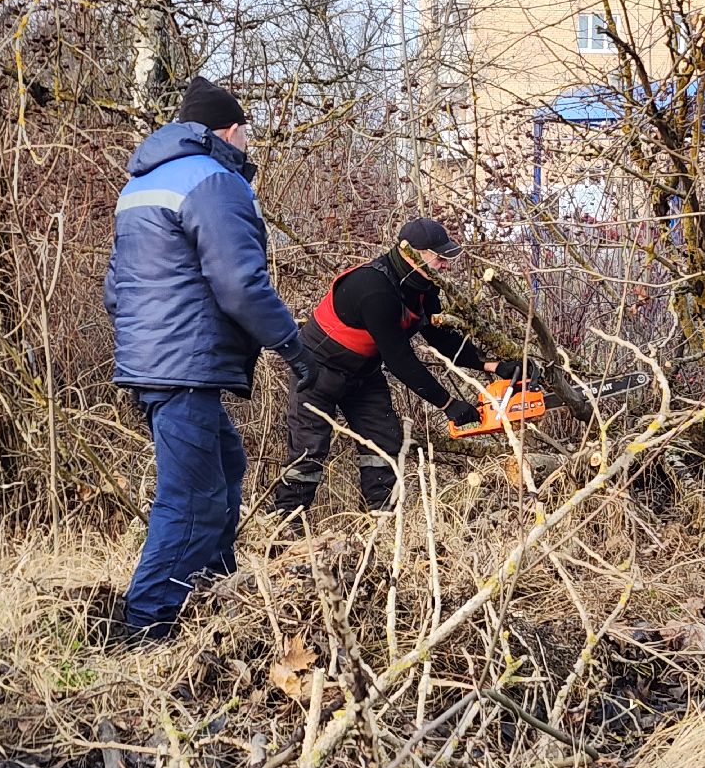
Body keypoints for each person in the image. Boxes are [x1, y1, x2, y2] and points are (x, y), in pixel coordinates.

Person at [104, 76, 317, 643]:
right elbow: (241, 285)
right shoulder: (215, 181)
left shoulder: (142, 184)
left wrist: (146, 342)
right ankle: (146, 627)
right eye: (246, 132)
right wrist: (293, 346)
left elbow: (115, 287)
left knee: (225, 463)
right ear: (229, 130)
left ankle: (213, 591)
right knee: (192, 495)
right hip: (184, 364)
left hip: (151, 360)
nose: (248, 143)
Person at [271, 217, 531, 520]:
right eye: (440, 257)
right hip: (318, 371)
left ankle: (382, 524)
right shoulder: (374, 290)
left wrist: (492, 365)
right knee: (309, 451)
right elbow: (400, 359)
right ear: (412, 253)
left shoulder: (423, 287)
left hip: (363, 373)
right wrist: (447, 404)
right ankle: (285, 525)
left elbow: (440, 336)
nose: (446, 265)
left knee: (383, 442)